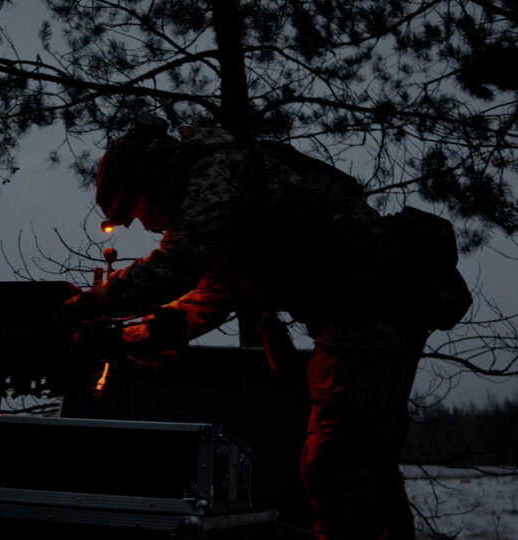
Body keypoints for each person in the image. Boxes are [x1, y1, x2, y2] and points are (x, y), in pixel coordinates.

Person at [63, 117, 470, 540]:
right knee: (368, 459)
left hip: (369, 311)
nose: (145, 225)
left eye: (136, 210)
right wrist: (123, 336)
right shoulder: (221, 200)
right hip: (365, 313)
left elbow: (176, 266)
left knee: (335, 461)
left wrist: (87, 306)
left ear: (151, 178)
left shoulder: (217, 173)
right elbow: (207, 301)